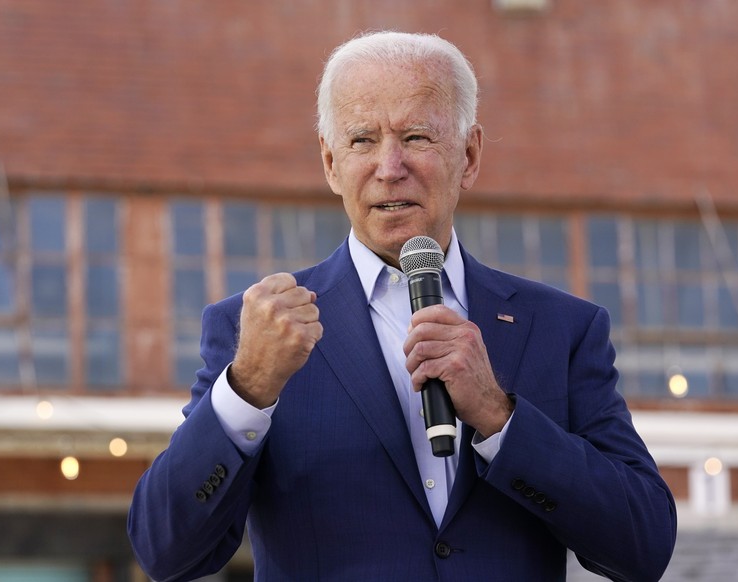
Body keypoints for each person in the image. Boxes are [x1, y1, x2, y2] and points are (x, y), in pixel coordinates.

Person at [128, 30, 677, 582]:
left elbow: (643, 545)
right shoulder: (254, 332)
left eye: (416, 137)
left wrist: (499, 417)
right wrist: (247, 388)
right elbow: (166, 551)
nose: (389, 167)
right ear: (329, 162)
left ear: (469, 155)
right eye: (362, 140)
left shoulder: (562, 329)